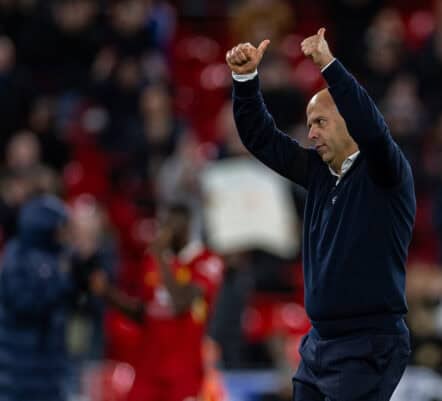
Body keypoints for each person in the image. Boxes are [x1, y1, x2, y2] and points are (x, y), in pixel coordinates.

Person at [226, 27, 415, 401]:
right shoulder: (318, 173)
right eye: (310, 123)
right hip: (320, 343)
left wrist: (328, 65)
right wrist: (245, 80)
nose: (311, 133)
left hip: (369, 344)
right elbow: (261, 139)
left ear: (348, 121)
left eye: (321, 122)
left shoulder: (385, 172)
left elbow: (374, 130)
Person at [90, 203, 224, 401]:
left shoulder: (206, 261)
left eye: (175, 223)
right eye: (166, 222)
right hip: (147, 371)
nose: (168, 228)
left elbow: (181, 302)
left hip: (184, 374)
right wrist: (107, 293)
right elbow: (145, 313)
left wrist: (161, 257)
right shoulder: (152, 261)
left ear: (189, 226)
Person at [0, 195, 73, 401]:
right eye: (59, 227)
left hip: (46, 367)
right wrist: (61, 285)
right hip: (18, 369)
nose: (63, 233)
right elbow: (22, 302)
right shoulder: (17, 256)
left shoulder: (59, 256)